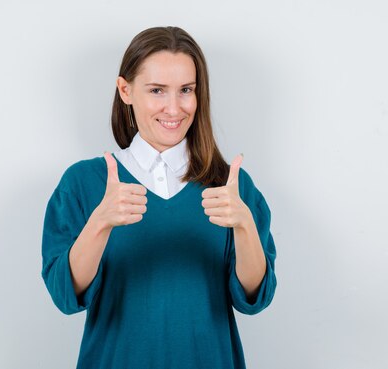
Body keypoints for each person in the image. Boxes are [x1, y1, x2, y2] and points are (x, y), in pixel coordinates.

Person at [41, 26, 277, 368]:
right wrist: (100, 223)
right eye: (156, 90)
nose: (173, 108)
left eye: (186, 90)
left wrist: (244, 228)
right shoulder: (83, 183)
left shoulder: (231, 187)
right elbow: (65, 296)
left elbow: (255, 298)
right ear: (125, 90)